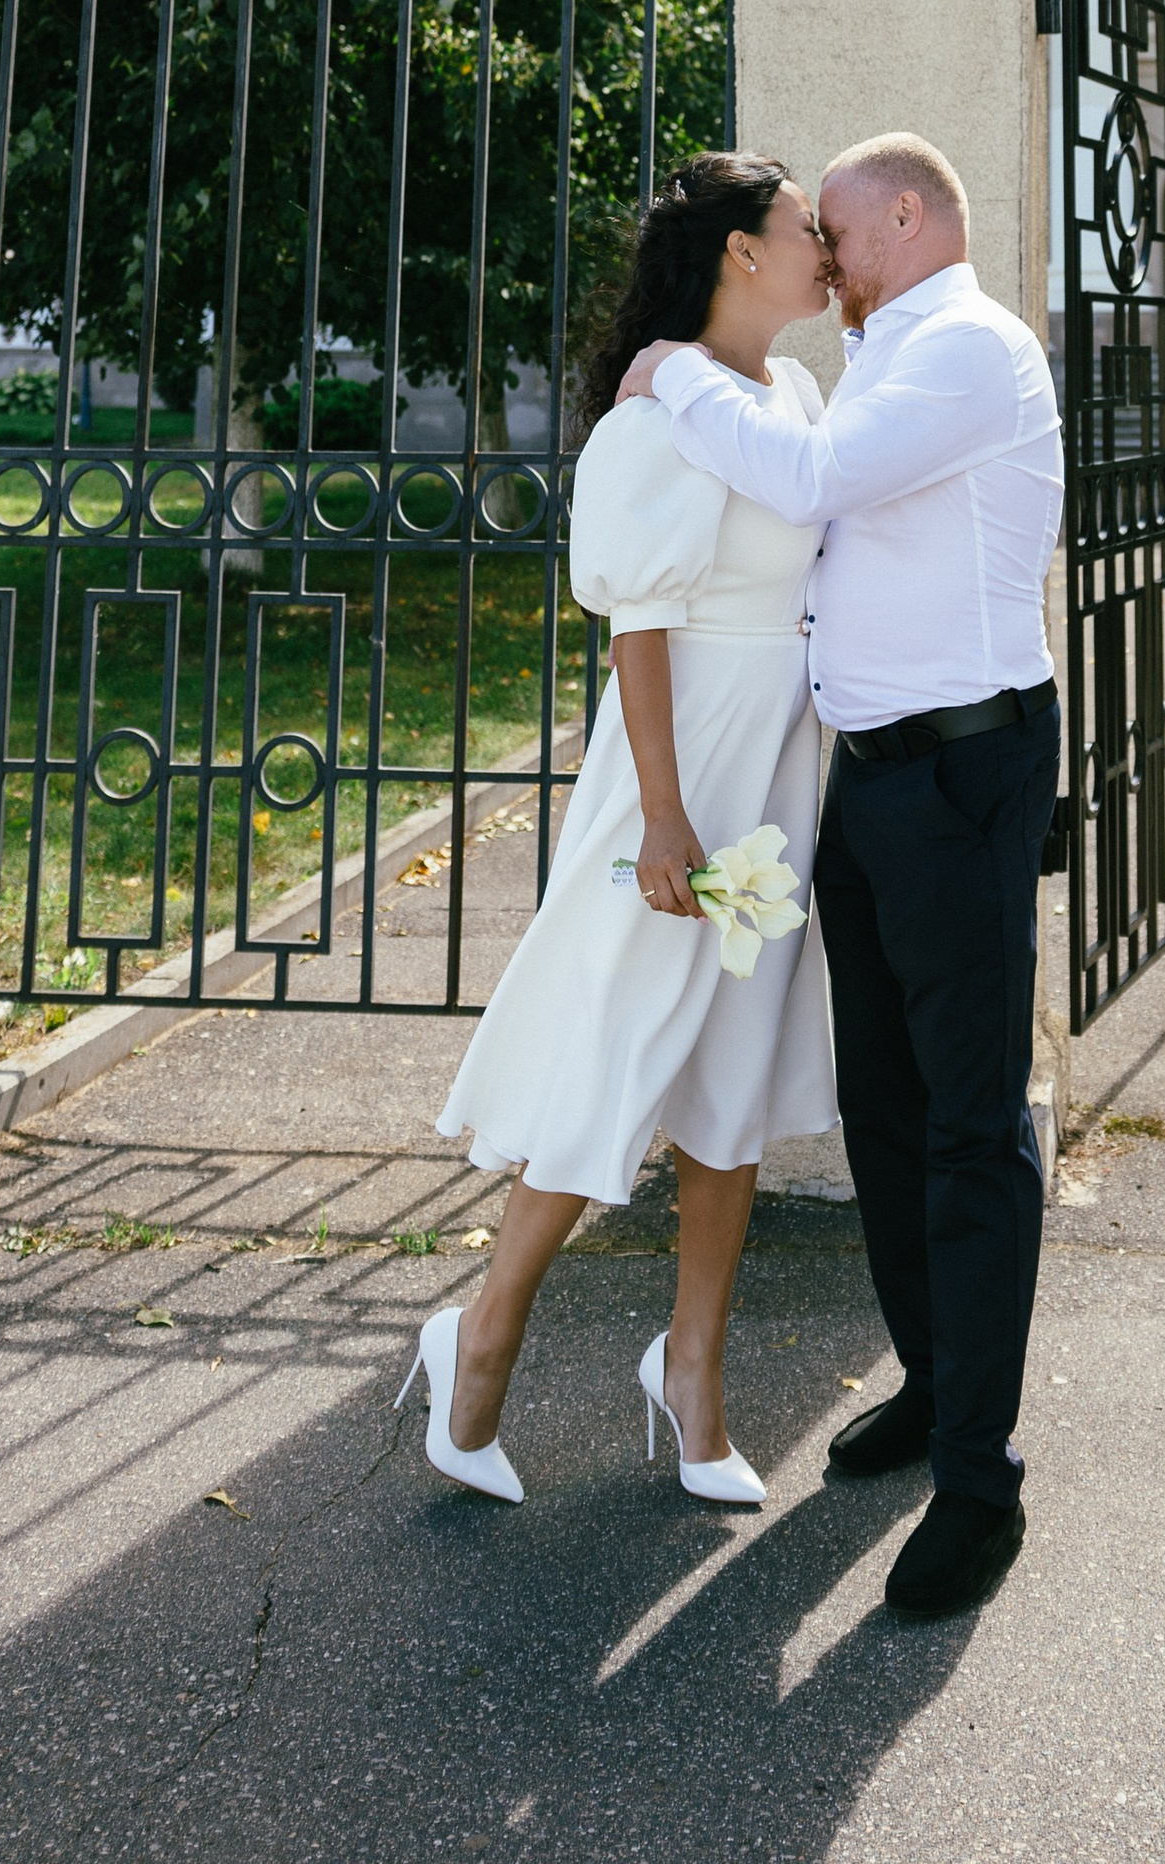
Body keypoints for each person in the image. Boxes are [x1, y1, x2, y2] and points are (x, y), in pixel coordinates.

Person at [620, 127, 1063, 1626]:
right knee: (881, 1103)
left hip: (961, 774)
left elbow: (805, 487)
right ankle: (931, 1385)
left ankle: (981, 1482)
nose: (825, 254)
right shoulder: (884, 351)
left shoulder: (966, 350)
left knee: (966, 1128)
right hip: (870, 783)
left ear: (912, 215)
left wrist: (671, 368)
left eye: (842, 230)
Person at [404, 154, 840, 1509]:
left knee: (733, 1079)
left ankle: (693, 1379)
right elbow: (635, 627)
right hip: (686, 764)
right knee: (619, 1058)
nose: (825, 248)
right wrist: (664, 813)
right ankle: (479, 1339)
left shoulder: (796, 392)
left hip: (781, 762)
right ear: (736, 255)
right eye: (801, 230)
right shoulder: (656, 419)